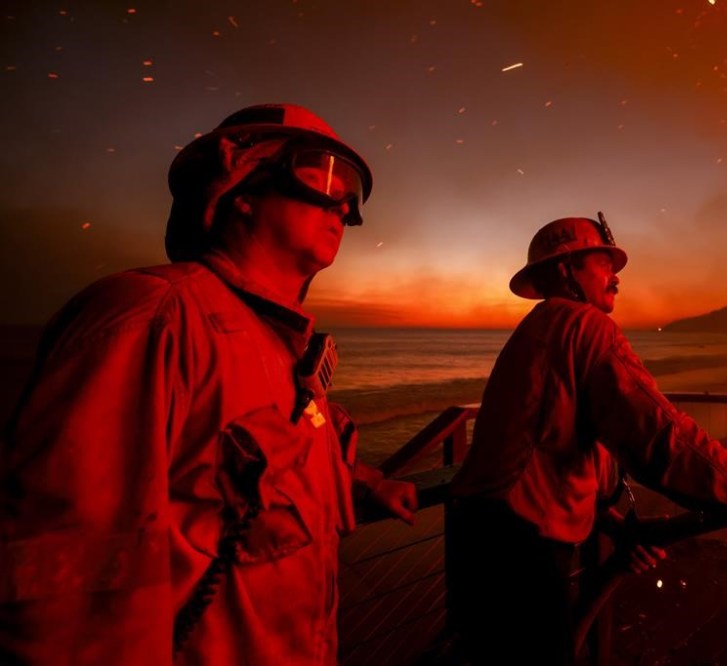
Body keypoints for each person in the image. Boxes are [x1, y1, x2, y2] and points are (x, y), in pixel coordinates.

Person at [0, 103, 418, 665]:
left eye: (352, 193)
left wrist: (362, 484)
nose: (343, 204)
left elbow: (268, 465)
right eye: (321, 175)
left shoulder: (279, 345)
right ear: (240, 189)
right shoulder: (154, 316)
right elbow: (71, 578)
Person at [447, 214, 727, 665]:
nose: (617, 277)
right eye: (603, 263)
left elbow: (549, 448)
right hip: (519, 550)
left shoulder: (540, 331)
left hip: (481, 538)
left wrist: (613, 524)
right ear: (566, 270)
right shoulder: (585, 327)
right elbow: (663, 440)